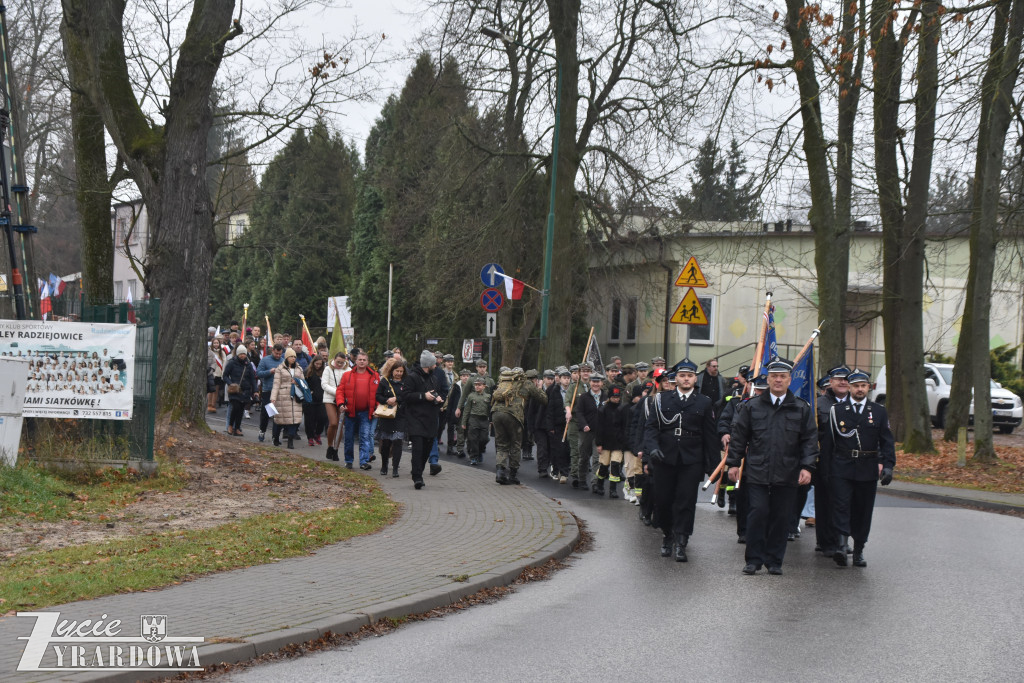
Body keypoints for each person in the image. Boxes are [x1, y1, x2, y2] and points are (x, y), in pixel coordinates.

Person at [727, 358, 817, 576]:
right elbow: (739, 437)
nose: (778, 380)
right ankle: (754, 559)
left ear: (789, 380)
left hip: (788, 471)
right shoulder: (752, 406)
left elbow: (809, 440)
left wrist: (807, 467)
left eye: (783, 376)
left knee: (781, 517)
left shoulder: (801, 408)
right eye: (774, 376)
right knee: (757, 513)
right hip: (757, 470)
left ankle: (775, 560)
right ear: (767, 379)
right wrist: (733, 463)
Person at [642, 359, 718, 562]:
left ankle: (682, 540)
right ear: (676, 379)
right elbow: (651, 428)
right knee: (664, 500)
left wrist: (715, 466)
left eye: (690, 376)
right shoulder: (662, 400)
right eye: (682, 376)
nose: (686, 379)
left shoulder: (704, 402)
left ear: (695, 378)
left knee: (686, 500)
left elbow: (710, 435)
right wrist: (653, 450)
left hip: (692, 459)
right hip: (665, 457)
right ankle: (668, 535)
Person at [823, 369, 896, 567]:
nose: (860, 389)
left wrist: (888, 466)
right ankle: (841, 545)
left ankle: (858, 550)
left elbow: (886, 441)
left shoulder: (878, 411)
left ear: (868, 387)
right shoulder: (837, 411)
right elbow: (829, 443)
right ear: (850, 387)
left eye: (863, 386)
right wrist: (826, 471)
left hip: (867, 467)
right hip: (842, 467)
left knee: (863, 510)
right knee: (841, 506)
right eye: (856, 386)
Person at [813, 366, 851, 555]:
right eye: (838, 379)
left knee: (845, 503)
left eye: (846, 379)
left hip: (850, 463)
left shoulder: (858, 404)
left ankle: (842, 540)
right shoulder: (819, 404)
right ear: (831, 381)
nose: (843, 382)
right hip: (825, 461)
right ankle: (826, 542)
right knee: (825, 502)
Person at [491, 368, 548, 485]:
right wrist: (539, 387)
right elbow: (544, 399)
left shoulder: (505, 382)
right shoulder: (527, 384)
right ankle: (512, 474)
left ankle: (500, 472)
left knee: (502, 444)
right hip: (513, 415)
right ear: (534, 379)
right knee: (515, 444)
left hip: (496, 413)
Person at [401, 351, 447, 488]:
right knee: (418, 448)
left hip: (431, 420)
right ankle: (417, 477)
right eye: (434, 363)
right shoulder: (412, 378)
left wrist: (438, 399)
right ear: (429, 364)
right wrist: (422, 396)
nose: (436, 365)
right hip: (416, 419)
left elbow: (436, 393)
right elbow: (406, 396)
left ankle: (418, 470)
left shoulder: (434, 378)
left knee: (427, 449)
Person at [336, 350, 381, 470]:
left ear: (367, 362)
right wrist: (340, 404)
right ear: (355, 361)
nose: (361, 362)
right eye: (359, 360)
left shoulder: (375, 376)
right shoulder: (347, 375)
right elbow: (340, 391)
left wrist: (377, 408)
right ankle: (349, 460)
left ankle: (363, 461)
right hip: (350, 412)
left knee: (365, 437)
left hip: (366, 412)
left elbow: (378, 394)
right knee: (349, 437)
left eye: (364, 360)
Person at [594, 385, 631, 498]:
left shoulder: (623, 409)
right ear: (609, 397)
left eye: (618, 397)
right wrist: (599, 444)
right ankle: (599, 485)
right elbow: (599, 428)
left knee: (615, 466)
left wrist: (624, 442)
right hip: (605, 443)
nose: (616, 399)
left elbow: (625, 426)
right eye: (614, 397)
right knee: (604, 466)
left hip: (618, 443)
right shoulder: (603, 410)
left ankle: (613, 489)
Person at [376, 358, 408, 477]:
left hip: (400, 416)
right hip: (387, 415)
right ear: (392, 371)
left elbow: (407, 396)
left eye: (401, 371)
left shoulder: (406, 382)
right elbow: (378, 395)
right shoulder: (384, 381)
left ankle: (395, 468)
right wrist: (387, 400)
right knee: (386, 442)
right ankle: (384, 465)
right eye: (397, 371)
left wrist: (397, 400)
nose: (399, 373)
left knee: (398, 441)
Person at [270, 348, 304, 449]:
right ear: (286, 357)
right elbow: (276, 384)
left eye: (294, 356)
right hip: (283, 397)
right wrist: (273, 398)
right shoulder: (280, 369)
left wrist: (298, 382)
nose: (293, 358)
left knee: (294, 419)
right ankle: (275, 437)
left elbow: (303, 382)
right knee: (280, 419)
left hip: (296, 396)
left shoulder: (299, 369)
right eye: (291, 356)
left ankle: (290, 440)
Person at [576, 372, 605, 491]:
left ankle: (595, 483)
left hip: (600, 433)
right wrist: (584, 425)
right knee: (584, 457)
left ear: (602, 383)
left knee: (597, 459)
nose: (596, 384)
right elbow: (579, 413)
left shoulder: (606, 397)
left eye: (598, 382)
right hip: (586, 432)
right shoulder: (583, 397)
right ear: (590, 382)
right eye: (593, 381)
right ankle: (582, 479)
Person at [545, 367, 573, 483]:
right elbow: (550, 410)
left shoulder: (572, 391)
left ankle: (565, 469)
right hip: (558, 424)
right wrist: (550, 426)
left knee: (567, 448)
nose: (566, 380)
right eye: (564, 378)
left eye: (568, 378)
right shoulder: (554, 391)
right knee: (559, 448)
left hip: (570, 424)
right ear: (560, 379)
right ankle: (562, 471)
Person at [223, 345, 257, 436]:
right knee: (235, 407)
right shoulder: (231, 363)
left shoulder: (248, 365)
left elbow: (252, 379)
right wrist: (230, 384)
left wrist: (255, 390)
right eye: (241, 354)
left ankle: (237, 427)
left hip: (245, 390)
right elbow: (225, 376)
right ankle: (230, 425)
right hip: (234, 390)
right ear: (238, 354)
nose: (243, 356)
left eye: (244, 354)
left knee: (241, 409)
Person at [321, 352, 349, 461]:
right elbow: (324, 384)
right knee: (333, 423)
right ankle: (329, 445)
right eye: (338, 362)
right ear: (334, 359)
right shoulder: (328, 369)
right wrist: (337, 392)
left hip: (343, 399)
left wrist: (343, 394)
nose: (340, 364)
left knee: (340, 424)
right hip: (330, 398)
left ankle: (336, 448)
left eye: (342, 362)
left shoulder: (348, 370)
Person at [256, 343, 285, 442]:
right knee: (266, 413)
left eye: (280, 354)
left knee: (277, 415)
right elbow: (258, 373)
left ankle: (275, 436)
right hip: (267, 390)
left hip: (279, 392)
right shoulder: (265, 360)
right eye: (276, 353)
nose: (278, 356)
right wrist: (269, 372)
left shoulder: (283, 361)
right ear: (272, 351)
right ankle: (262, 431)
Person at [461, 377, 492, 466]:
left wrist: (491, 420)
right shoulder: (471, 396)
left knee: (484, 439)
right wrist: (464, 422)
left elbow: (490, 409)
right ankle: (474, 457)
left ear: (484, 386)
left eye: (479, 385)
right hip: (473, 419)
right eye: (476, 385)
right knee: (473, 439)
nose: (477, 386)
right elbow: (467, 410)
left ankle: (480, 451)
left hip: (484, 420)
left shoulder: (488, 397)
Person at [531, 369, 556, 477]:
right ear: (544, 379)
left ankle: (548, 465)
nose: (550, 381)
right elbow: (531, 410)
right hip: (539, 424)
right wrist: (531, 426)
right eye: (548, 379)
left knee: (550, 447)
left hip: (551, 424)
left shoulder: (556, 391)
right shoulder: (538, 391)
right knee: (542, 447)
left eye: (551, 379)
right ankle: (542, 469)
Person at [304, 356, 328, 446]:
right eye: (316, 364)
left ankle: (317, 434)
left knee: (323, 418)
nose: (318, 366)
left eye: (320, 364)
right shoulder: (308, 372)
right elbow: (304, 383)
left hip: (321, 399)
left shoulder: (324, 372)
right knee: (310, 420)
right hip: (310, 400)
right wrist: (308, 391)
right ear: (313, 363)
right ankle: (310, 437)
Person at [207, 337, 226, 413]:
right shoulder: (209, 352)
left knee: (216, 390)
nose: (216, 344)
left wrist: (223, 373)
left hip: (218, 373)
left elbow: (224, 362)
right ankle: (209, 404)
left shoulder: (222, 353)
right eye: (214, 343)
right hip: (211, 373)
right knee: (210, 390)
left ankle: (213, 405)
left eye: (217, 343)